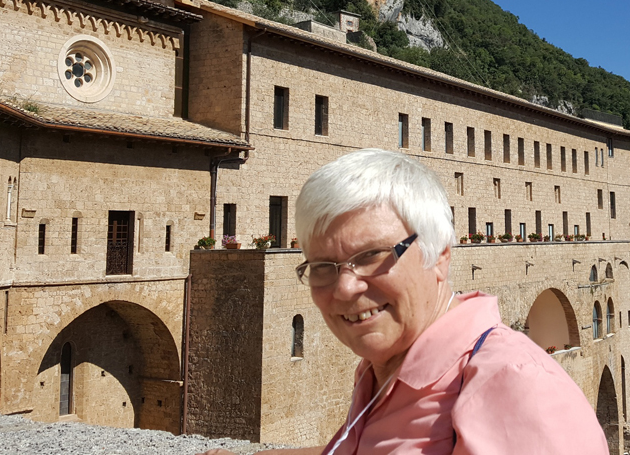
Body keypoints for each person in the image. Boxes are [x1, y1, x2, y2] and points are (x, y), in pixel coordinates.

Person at [205, 148, 609, 455]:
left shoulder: (517, 384)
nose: (345, 288)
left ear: (440, 255)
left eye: (372, 256)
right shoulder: (386, 370)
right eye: (323, 264)